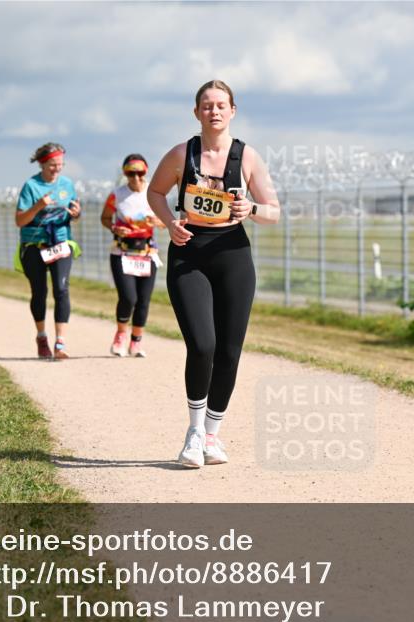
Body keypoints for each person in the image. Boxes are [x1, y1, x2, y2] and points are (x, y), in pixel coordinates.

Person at [147, 80, 280, 468]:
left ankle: (211, 435)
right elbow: (155, 193)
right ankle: (193, 433)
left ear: (232, 111)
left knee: (229, 351)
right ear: (196, 112)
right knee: (202, 344)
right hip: (189, 253)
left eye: (221, 105)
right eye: (207, 105)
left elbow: (273, 211)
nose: (214, 111)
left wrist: (251, 209)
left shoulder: (247, 157)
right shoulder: (181, 154)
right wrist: (169, 223)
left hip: (233, 255)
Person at [14, 142, 82, 359]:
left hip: (60, 243)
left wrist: (76, 213)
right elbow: (20, 221)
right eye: (52, 165)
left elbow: (74, 212)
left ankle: (60, 343)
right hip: (34, 245)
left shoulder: (67, 184)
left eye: (60, 164)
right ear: (42, 164)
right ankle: (41, 336)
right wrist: (38, 206)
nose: (57, 169)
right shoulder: (31, 186)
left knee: (61, 290)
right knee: (39, 292)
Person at [101, 154, 164, 358]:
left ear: (146, 172)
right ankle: (121, 335)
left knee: (143, 300)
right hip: (122, 252)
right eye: (130, 173)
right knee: (128, 298)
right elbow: (105, 217)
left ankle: (136, 341)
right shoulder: (117, 194)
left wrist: (157, 222)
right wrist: (114, 228)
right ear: (125, 173)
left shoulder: (154, 192)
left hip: (147, 253)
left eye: (140, 173)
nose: (136, 178)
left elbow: (166, 222)